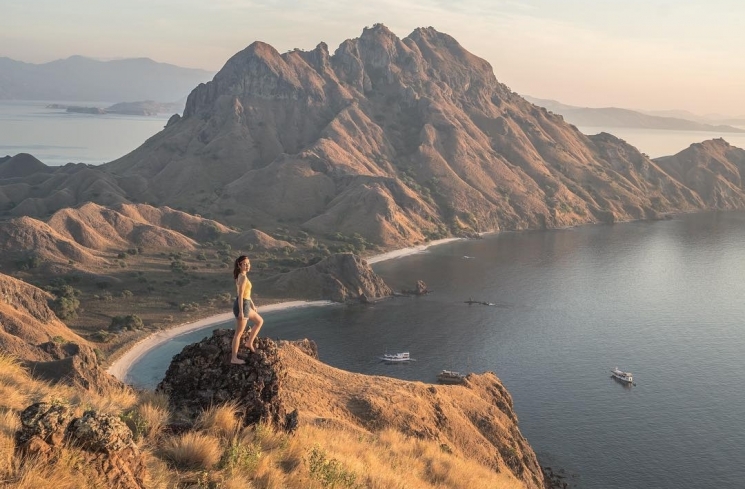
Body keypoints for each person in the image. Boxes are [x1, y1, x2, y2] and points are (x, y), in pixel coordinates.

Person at [231, 255, 264, 364]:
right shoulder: (243, 277)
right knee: (238, 333)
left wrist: (252, 305)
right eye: (244, 264)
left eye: (248, 263)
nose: (247, 266)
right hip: (242, 305)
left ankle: (249, 343)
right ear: (239, 265)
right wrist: (241, 311)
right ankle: (234, 358)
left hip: (246, 304)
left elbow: (247, 294)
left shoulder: (242, 275)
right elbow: (240, 296)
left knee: (259, 321)